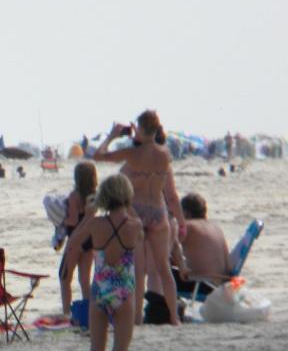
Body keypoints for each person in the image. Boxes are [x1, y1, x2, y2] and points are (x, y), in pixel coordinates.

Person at [91, 110, 185, 326]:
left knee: (139, 271)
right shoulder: (165, 155)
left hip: (137, 212)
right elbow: (171, 195)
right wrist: (181, 221)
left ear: (140, 129)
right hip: (158, 211)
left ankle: (137, 319)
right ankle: (174, 318)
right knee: (164, 268)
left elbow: (98, 155)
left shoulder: (133, 155)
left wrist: (112, 136)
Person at [81, 174, 144, 351]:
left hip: (101, 289)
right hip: (124, 291)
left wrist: (89, 215)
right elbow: (140, 268)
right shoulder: (135, 226)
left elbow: (75, 243)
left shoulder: (96, 224)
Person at [58, 161, 99, 316]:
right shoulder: (94, 196)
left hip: (75, 239)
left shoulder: (74, 196)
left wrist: (62, 220)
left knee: (65, 278)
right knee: (84, 279)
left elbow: (73, 221)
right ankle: (88, 312)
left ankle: (66, 312)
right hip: (90, 240)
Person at [172, 192, 231, 297]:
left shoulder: (187, 226)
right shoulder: (215, 227)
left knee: (162, 269)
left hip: (203, 285)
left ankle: (161, 305)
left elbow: (165, 245)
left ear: (185, 213)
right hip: (222, 285)